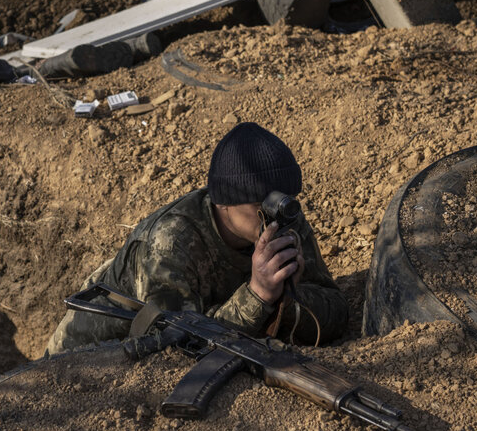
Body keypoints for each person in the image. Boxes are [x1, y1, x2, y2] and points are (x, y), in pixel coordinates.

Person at [46, 122, 350, 354]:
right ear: (223, 203)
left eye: (283, 202)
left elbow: (337, 314)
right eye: (261, 207)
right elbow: (175, 352)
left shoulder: (284, 220)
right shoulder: (170, 241)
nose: (275, 218)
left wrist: (289, 298)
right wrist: (257, 295)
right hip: (86, 359)